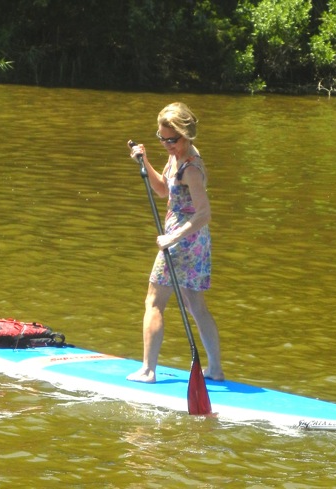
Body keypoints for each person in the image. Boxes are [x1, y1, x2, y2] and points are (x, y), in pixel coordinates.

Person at [126, 102, 224, 384]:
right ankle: (215, 370)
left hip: (183, 240)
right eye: (162, 138)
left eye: (172, 139)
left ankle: (148, 370)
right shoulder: (177, 157)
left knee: (154, 302)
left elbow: (204, 213)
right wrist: (143, 160)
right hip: (193, 241)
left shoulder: (191, 168)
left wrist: (172, 237)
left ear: (187, 134)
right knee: (195, 304)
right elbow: (162, 191)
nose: (167, 144)